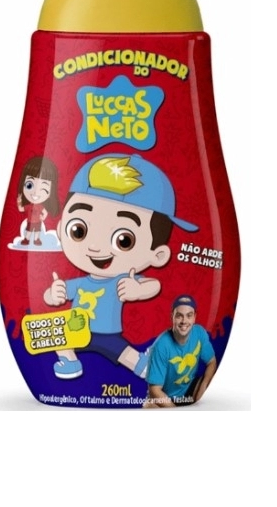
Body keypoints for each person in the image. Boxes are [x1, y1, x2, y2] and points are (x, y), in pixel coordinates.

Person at [43, 154, 198, 380]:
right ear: (60, 230)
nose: (95, 247)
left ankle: (144, 365)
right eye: (79, 230)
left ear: (158, 255)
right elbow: (55, 295)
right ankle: (70, 363)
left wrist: (138, 289)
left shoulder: (121, 281)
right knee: (59, 337)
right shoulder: (82, 282)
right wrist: (54, 293)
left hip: (108, 333)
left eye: (124, 240)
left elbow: (153, 285)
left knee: (124, 353)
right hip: (77, 330)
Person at [144, 295, 217, 407]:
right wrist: (177, 412)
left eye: (189, 316)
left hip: (189, 390)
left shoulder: (199, 333)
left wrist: (202, 393)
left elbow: (212, 362)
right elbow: (155, 390)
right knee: (148, 406)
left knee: (212, 381)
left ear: (194, 317)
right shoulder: (160, 346)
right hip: (164, 396)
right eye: (179, 316)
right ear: (172, 317)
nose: (184, 321)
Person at [16, 156, 60, 246]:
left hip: (38, 222)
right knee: (29, 231)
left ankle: (36, 240)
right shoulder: (29, 205)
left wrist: (43, 218)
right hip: (30, 222)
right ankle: (27, 239)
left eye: (43, 188)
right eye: (29, 185)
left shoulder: (40, 206)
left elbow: (45, 212)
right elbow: (21, 209)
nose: (36, 193)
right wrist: (19, 202)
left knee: (37, 232)